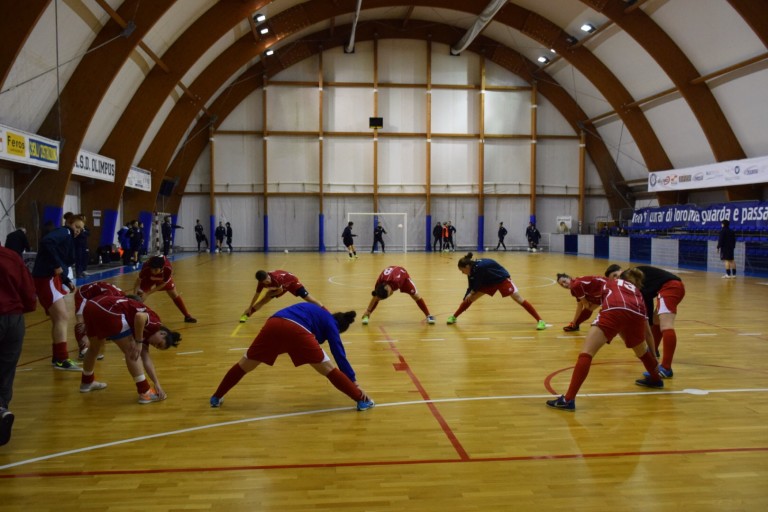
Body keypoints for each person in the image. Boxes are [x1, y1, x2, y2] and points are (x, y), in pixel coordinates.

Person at [210, 303, 374, 411]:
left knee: (245, 364)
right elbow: (339, 353)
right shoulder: (332, 324)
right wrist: (353, 380)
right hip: (297, 329)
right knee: (328, 369)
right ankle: (361, 399)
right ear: (339, 327)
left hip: (273, 323)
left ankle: (216, 397)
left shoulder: (319, 313)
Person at [546, 268, 663, 412]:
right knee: (641, 351)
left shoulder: (610, 283)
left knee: (587, 353)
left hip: (614, 310)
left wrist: (576, 323)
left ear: (619, 277)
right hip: (636, 314)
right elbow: (648, 333)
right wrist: (655, 354)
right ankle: (656, 378)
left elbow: (589, 307)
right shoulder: (638, 293)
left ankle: (568, 399)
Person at [79, 293, 181, 404]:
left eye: (157, 347)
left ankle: (87, 382)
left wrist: (157, 383)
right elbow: (139, 316)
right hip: (106, 308)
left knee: (94, 349)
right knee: (132, 350)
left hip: (92, 306)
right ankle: (145, 392)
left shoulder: (148, 336)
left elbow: (146, 359)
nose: (155, 345)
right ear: (162, 333)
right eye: (159, 344)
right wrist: (138, 342)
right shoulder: (155, 322)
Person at [605, 263, 684, 378]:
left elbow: (645, 301)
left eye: (616, 275)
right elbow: (645, 299)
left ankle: (666, 368)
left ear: (621, 271)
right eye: (614, 278)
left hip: (670, 287)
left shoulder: (629, 276)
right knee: (657, 320)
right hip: (673, 287)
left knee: (666, 325)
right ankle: (654, 351)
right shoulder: (633, 277)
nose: (617, 279)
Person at [31, 213, 86, 371]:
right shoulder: (64, 232)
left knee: (58, 319)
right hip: (45, 278)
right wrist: (56, 265)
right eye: (77, 227)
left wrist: (65, 280)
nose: (78, 231)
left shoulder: (67, 236)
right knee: (62, 317)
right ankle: (62, 359)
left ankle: (58, 358)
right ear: (69, 223)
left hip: (50, 278)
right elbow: (47, 242)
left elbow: (58, 263)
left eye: (81, 229)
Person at [447, 252, 547, 330]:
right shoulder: (471, 271)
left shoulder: (479, 268)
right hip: (488, 281)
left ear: (467, 267)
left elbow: (476, 286)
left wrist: (470, 293)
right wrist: (466, 297)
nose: (462, 273)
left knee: (518, 298)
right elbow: (471, 286)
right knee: (469, 298)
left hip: (501, 279)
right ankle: (454, 317)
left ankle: (540, 321)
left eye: (462, 270)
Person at [0, 246, 37, 445]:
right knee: (6, 370)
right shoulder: (11, 256)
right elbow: (27, 287)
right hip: (14, 319)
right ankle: (2, 410)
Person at [240, 269, 325, 323]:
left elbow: (279, 291)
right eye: (266, 281)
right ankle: (246, 314)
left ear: (268, 275)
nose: (268, 281)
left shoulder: (276, 279)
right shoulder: (261, 283)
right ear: (261, 282)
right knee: (263, 301)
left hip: (292, 282)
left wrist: (268, 294)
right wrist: (250, 307)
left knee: (309, 298)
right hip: (281, 286)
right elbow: (256, 295)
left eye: (268, 279)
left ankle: (326, 312)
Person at [361, 266, 435, 325]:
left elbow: (392, 292)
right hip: (392, 276)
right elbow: (375, 297)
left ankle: (429, 315)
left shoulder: (396, 281)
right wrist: (368, 310)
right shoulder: (378, 284)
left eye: (389, 294)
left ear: (387, 287)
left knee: (415, 295)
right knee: (377, 297)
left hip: (403, 277)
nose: (390, 294)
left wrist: (388, 294)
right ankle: (367, 314)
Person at [133, 255, 197, 323]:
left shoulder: (168, 269)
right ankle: (133, 317)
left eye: (155, 270)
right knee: (139, 297)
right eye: (152, 269)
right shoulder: (146, 267)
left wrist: (148, 293)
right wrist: (134, 294)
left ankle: (187, 316)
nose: (153, 272)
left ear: (162, 268)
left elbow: (163, 284)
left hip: (162, 280)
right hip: (148, 278)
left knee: (174, 294)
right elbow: (138, 281)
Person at [73, 281, 126, 360]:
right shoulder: (111, 298)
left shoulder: (122, 298)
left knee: (101, 321)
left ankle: (95, 349)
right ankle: (83, 351)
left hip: (97, 296)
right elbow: (96, 308)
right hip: (83, 295)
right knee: (81, 322)